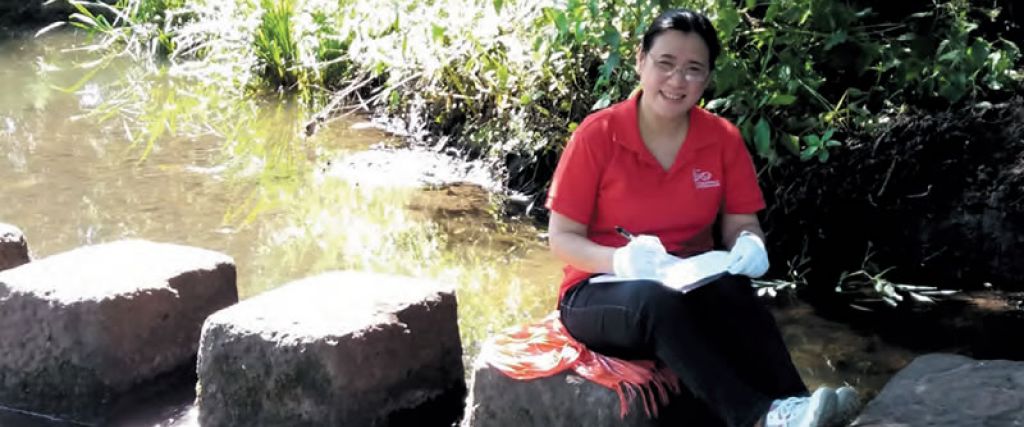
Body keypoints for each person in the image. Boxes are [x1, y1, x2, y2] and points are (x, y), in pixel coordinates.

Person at [544, 8, 858, 427]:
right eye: (666, 64)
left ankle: (799, 405)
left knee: (735, 292)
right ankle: (758, 418)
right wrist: (620, 261)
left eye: (693, 69)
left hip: (690, 280)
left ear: (707, 77)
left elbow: (741, 223)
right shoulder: (598, 136)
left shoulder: (721, 138)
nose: (677, 81)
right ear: (641, 61)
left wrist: (750, 244)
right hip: (600, 291)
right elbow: (561, 237)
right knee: (656, 303)